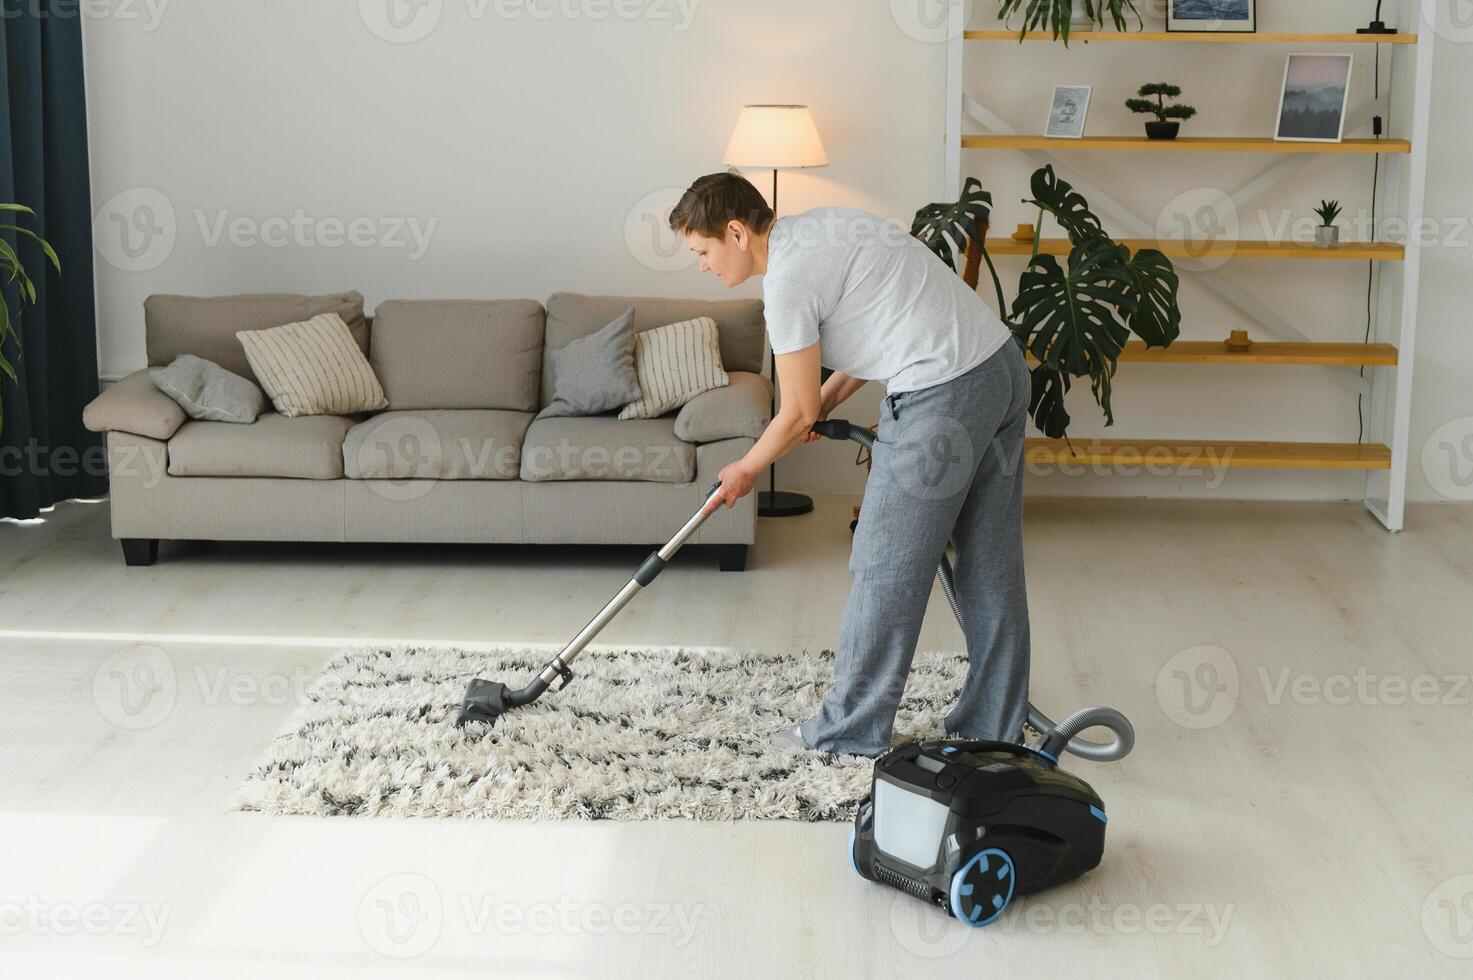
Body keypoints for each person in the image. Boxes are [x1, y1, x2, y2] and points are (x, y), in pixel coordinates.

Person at [670, 171, 1031, 757]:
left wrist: (745, 469)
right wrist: (820, 408)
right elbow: (881, 329)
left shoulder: (785, 282)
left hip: (943, 396)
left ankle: (848, 733)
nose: (703, 265)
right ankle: (993, 723)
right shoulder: (827, 225)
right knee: (989, 559)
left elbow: (793, 411)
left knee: (884, 562)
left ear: (735, 232)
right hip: (1000, 369)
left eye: (703, 251)